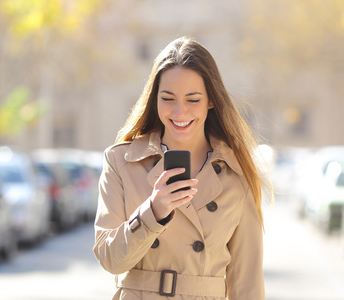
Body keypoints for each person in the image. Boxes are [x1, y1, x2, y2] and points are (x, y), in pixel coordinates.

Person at [93, 36, 267, 300]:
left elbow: (247, 284)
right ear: (155, 99)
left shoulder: (237, 171)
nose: (179, 112)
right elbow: (109, 259)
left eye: (193, 100)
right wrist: (153, 211)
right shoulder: (121, 161)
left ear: (211, 100)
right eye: (168, 98)